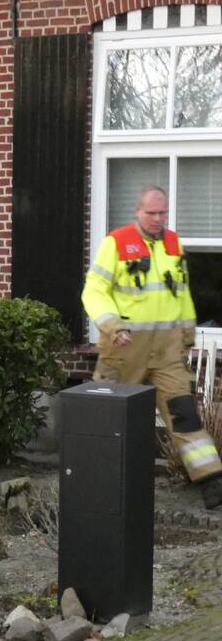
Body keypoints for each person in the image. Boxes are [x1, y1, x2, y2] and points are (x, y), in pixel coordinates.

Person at [82, 184, 222, 509]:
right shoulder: (116, 243)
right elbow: (94, 291)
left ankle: (212, 481)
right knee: (109, 416)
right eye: (152, 213)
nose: (158, 219)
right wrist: (112, 325)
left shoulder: (173, 244)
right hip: (123, 346)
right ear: (138, 211)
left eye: (162, 213)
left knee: (184, 414)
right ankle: (94, 481)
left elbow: (182, 295)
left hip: (168, 351)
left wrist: (187, 336)